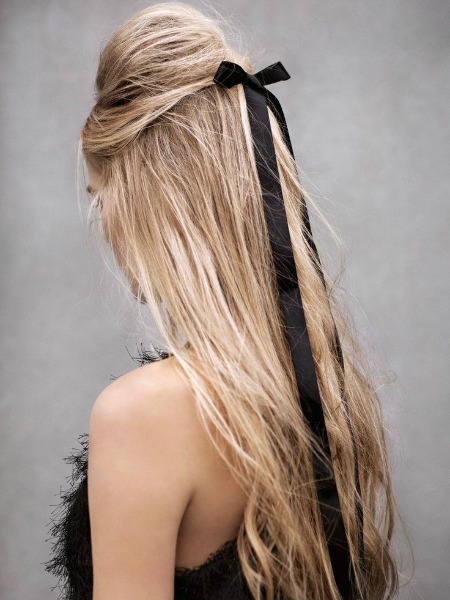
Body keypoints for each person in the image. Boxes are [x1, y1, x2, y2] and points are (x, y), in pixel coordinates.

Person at [44, 3, 402, 599]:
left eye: (100, 195)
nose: (102, 223)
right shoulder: (326, 385)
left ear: (146, 202)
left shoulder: (139, 415)